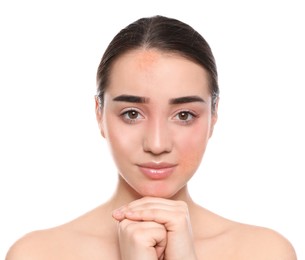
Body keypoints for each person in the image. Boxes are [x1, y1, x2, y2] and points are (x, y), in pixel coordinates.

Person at [6, 15, 297, 260]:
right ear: (99, 113)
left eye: (184, 115)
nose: (157, 145)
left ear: (214, 115)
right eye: (132, 114)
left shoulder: (265, 252)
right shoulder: (37, 253)